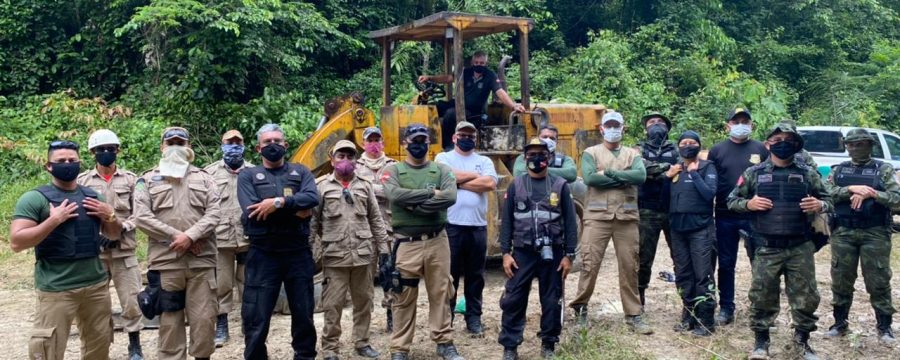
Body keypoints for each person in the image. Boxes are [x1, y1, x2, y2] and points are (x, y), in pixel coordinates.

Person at [727, 123, 831, 360]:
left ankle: (802, 342)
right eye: (777, 138)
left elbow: (829, 199)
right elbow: (731, 201)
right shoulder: (753, 174)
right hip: (766, 246)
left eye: (788, 139)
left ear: (796, 144)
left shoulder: (808, 173)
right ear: (768, 144)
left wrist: (820, 205)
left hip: (800, 246)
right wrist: (749, 204)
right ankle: (761, 343)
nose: (783, 143)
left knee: (806, 297)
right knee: (762, 295)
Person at [11, 140, 120, 360]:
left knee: (99, 348)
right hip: (56, 288)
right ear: (48, 166)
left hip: (96, 286)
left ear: (80, 163)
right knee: (47, 350)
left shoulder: (92, 196)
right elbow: (17, 242)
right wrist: (54, 220)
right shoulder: (35, 198)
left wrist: (110, 215)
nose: (68, 164)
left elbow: (114, 234)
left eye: (72, 160)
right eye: (61, 161)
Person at [133, 127, 221, 360]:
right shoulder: (146, 180)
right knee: (170, 322)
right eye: (170, 142)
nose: (175, 146)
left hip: (201, 261)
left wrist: (190, 236)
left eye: (180, 143)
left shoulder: (205, 178)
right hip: (167, 262)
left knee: (204, 319)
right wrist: (177, 237)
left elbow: (214, 214)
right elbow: (142, 216)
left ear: (188, 147)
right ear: (162, 147)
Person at [237, 123, 320, 360]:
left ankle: (304, 357)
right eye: (267, 143)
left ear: (286, 145)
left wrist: (277, 204)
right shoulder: (247, 175)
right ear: (257, 148)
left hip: (298, 253)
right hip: (263, 254)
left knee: (304, 314)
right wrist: (297, 208)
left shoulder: (301, 172)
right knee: (256, 316)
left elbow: (312, 198)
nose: (272, 146)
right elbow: (252, 212)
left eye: (277, 141)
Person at [382, 124, 463, 360]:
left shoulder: (441, 169)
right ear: (405, 143)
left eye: (423, 141)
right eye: (414, 141)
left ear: (429, 143)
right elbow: (394, 195)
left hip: (438, 241)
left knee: (441, 292)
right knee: (403, 295)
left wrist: (412, 204)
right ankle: (400, 348)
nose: (419, 145)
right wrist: (431, 194)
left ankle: (444, 342)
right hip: (407, 244)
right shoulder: (393, 170)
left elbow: (450, 196)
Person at [569, 111, 651, 334]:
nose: (613, 129)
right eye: (609, 125)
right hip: (597, 218)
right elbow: (590, 178)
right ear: (602, 128)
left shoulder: (632, 154)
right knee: (589, 264)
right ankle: (580, 309)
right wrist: (624, 177)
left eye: (617, 125)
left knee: (630, 266)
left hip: (626, 219)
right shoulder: (590, 153)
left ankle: (633, 314)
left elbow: (640, 177)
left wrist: (611, 173)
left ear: (623, 128)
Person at [498, 138, 578, 360]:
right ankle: (510, 346)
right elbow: (506, 222)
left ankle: (549, 344)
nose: (536, 158)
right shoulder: (516, 185)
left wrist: (569, 255)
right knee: (514, 299)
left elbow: (571, 223)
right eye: (532, 154)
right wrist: (505, 253)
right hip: (522, 253)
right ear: (525, 158)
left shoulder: (560, 185)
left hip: (553, 253)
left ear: (549, 157)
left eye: (541, 154)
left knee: (552, 300)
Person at [313, 140, 389, 360]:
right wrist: (313, 251)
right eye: (341, 156)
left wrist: (383, 249)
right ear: (332, 160)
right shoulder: (322, 187)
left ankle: (362, 342)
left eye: (350, 157)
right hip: (335, 256)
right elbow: (313, 224)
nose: (345, 161)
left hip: (364, 255)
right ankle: (330, 348)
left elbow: (375, 219)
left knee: (364, 301)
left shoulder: (364, 186)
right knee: (332, 304)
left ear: (356, 160)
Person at [824, 128, 899, 344]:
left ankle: (884, 327)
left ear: (870, 145)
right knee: (841, 280)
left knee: (878, 280)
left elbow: (896, 199)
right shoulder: (839, 170)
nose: (855, 148)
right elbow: (826, 193)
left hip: (874, 232)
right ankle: (839, 323)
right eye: (851, 144)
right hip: (843, 231)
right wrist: (851, 189)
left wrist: (873, 193)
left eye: (861, 144)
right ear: (846, 146)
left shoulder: (882, 169)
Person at [76, 129, 145, 359]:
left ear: (118, 151)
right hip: (96, 255)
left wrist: (122, 227)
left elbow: (141, 213)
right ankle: (100, 345)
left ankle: (134, 345)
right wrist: (97, 236)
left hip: (124, 251)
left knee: (132, 301)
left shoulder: (131, 180)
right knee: (95, 303)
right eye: (101, 150)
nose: (106, 153)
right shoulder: (82, 181)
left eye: (111, 149)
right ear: (92, 153)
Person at [435, 121, 498, 336]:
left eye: (471, 135)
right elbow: (443, 177)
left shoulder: (484, 160)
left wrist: (457, 181)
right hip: (451, 227)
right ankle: (447, 318)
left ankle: (474, 319)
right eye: (462, 134)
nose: (467, 138)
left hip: (477, 227)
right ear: (454, 137)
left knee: (476, 276)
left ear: (476, 138)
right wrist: (473, 176)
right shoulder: (443, 158)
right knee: (448, 276)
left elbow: (489, 184)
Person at [706, 107, 768, 326]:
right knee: (726, 263)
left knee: (759, 262)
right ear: (728, 125)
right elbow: (712, 181)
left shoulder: (761, 148)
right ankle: (726, 308)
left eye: (745, 121)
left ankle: (762, 308)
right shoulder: (717, 150)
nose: (741, 124)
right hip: (725, 214)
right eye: (736, 121)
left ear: (751, 125)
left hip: (755, 214)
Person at [203, 129, 253, 347]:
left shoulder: (253, 171)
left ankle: (248, 322)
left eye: (237, 142)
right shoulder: (209, 173)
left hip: (248, 238)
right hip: (220, 239)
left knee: (249, 282)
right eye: (229, 142)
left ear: (243, 144)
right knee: (221, 285)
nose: (234, 146)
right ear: (221, 145)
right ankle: (221, 325)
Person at [664, 131, 717, 336]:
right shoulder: (675, 169)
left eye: (692, 142)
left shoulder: (707, 167)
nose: (688, 145)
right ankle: (688, 316)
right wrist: (667, 179)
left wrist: (694, 174)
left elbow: (708, 194)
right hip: (677, 229)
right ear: (678, 147)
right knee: (683, 273)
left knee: (702, 274)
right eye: (684, 142)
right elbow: (664, 200)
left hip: (701, 228)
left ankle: (706, 320)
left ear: (699, 146)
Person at [417, 51, 526, 150]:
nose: (479, 65)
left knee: (451, 114)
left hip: (475, 112)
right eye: (477, 62)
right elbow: (448, 78)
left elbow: (500, 92)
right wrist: (430, 78)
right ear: (473, 62)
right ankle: (423, 139)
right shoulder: (466, 72)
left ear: (485, 64)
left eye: (482, 63)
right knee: (435, 106)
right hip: (458, 104)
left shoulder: (490, 76)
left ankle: (448, 145)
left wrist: (513, 106)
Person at [354, 127, 399, 331]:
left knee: (391, 276)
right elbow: (353, 193)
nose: (373, 144)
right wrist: (381, 191)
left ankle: (393, 318)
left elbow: (396, 193)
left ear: (383, 142)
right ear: (363, 144)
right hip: (364, 232)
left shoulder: (394, 166)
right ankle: (364, 323)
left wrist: (370, 190)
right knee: (364, 280)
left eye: (377, 140)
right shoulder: (355, 167)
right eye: (369, 140)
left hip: (390, 231)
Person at [636, 112, 678, 308]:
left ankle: (687, 303)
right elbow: (639, 168)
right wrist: (668, 171)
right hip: (646, 211)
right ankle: (638, 302)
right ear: (646, 129)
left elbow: (683, 166)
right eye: (652, 122)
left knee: (680, 257)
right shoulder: (639, 148)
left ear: (668, 128)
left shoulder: (677, 148)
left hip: (673, 210)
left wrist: (656, 172)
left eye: (660, 122)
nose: (656, 125)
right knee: (643, 260)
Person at [512, 124, 577, 183]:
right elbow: (519, 173)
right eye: (545, 137)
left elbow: (571, 174)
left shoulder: (564, 159)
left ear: (557, 142)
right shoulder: (525, 157)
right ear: (537, 138)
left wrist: (536, 169)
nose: (548, 140)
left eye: (552, 138)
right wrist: (559, 172)